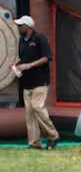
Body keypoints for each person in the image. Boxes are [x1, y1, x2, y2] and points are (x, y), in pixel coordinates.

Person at [13, 15, 59, 149]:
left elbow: (47, 57)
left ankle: (53, 135)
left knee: (37, 107)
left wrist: (29, 65)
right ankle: (34, 143)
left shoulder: (40, 38)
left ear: (28, 27)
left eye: (20, 25)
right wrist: (16, 65)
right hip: (26, 82)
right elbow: (23, 59)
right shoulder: (21, 40)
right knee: (30, 114)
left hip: (40, 80)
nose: (18, 28)